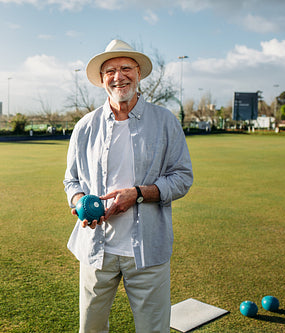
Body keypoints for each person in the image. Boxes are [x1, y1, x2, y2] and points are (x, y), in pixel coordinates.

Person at [63, 39, 193, 333]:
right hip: (97, 250)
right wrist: (79, 200)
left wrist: (136, 194)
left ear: (138, 73)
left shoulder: (164, 121)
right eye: (110, 70)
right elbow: (71, 180)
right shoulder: (85, 126)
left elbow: (182, 176)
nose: (118, 76)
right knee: (91, 329)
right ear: (101, 79)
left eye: (126, 68)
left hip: (147, 250)